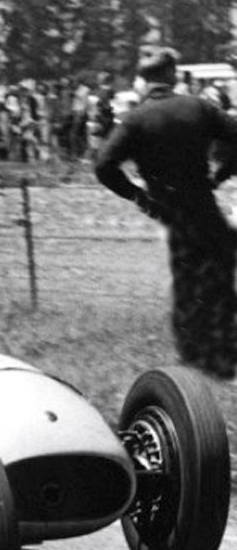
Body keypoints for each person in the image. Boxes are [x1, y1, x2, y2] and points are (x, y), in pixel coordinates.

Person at [94, 48, 237, 380]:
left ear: (145, 80)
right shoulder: (197, 107)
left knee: (187, 276)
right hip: (202, 201)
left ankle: (195, 359)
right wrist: (221, 174)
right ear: (173, 75)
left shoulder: (136, 119)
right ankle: (220, 350)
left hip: (167, 208)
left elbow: (103, 165)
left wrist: (139, 197)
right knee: (219, 266)